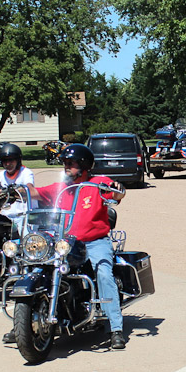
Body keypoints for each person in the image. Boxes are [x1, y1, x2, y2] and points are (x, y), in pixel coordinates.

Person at [34, 144, 128, 350]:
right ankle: (25, 325)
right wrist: (16, 190)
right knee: (36, 266)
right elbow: (35, 193)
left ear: (84, 165)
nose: (66, 167)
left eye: (71, 163)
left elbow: (116, 193)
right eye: (65, 164)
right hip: (66, 244)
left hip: (95, 242)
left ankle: (115, 329)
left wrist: (119, 190)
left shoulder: (97, 183)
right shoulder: (62, 188)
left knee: (104, 273)